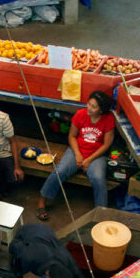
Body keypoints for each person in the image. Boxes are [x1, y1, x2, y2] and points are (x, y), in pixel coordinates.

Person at [37, 90, 115, 220]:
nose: (89, 108)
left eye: (93, 106)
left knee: (98, 178)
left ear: (101, 110)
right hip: (77, 150)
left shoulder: (108, 119)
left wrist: (89, 159)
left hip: (96, 155)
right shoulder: (80, 114)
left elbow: (106, 145)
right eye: (89, 104)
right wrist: (78, 154)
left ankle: (101, 213)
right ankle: (42, 201)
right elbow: (72, 136)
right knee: (60, 171)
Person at [8, 223, 88, 278]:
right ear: (48, 277)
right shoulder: (29, 256)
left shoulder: (67, 261)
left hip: (47, 238)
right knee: (15, 273)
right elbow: (13, 246)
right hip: (29, 232)